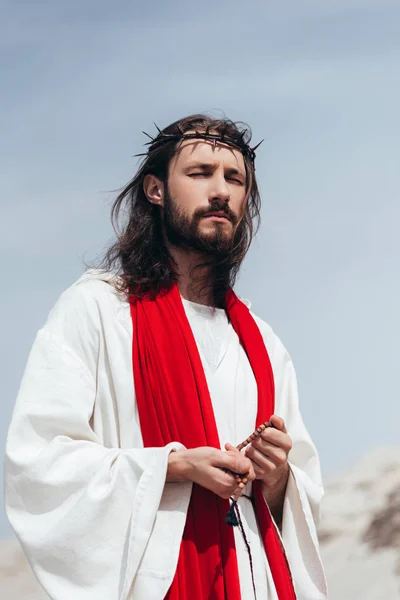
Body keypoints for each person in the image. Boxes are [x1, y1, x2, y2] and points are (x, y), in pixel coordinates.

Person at [5, 114, 328, 600]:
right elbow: (39, 463)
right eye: (200, 173)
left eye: (234, 179)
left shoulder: (262, 344)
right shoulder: (98, 308)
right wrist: (172, 466)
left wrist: (278, 474)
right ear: (156, 190)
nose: (220, 190)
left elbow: (301, 499)